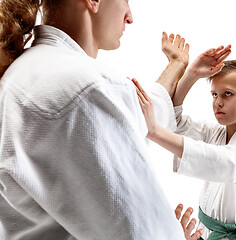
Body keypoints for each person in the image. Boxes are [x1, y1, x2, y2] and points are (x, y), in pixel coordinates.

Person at [0, 0, 202, 239]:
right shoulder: (86, 89)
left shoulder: (22, 73)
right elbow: (142, 234)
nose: (130, 16)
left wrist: (177, 66)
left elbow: (141, 115)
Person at [133, 46, 236, 239]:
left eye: (227, 94)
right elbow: (176, 121)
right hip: (204, 231)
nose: (218, 102)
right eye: (214, 95)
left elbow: (223, 162)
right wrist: (191, 73)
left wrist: (155, 131)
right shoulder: (214, 133)